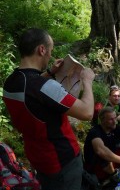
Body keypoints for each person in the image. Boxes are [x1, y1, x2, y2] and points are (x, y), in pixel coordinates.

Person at [2, 28, 95, 190]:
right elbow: (87, 112)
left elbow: (30, 90)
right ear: (42, 49)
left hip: (38, 157)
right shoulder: (46, 87)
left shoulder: (10, 82)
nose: (50, 55)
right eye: (50, 51)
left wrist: (50, 72)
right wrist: (87, 81)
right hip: (62, 161)